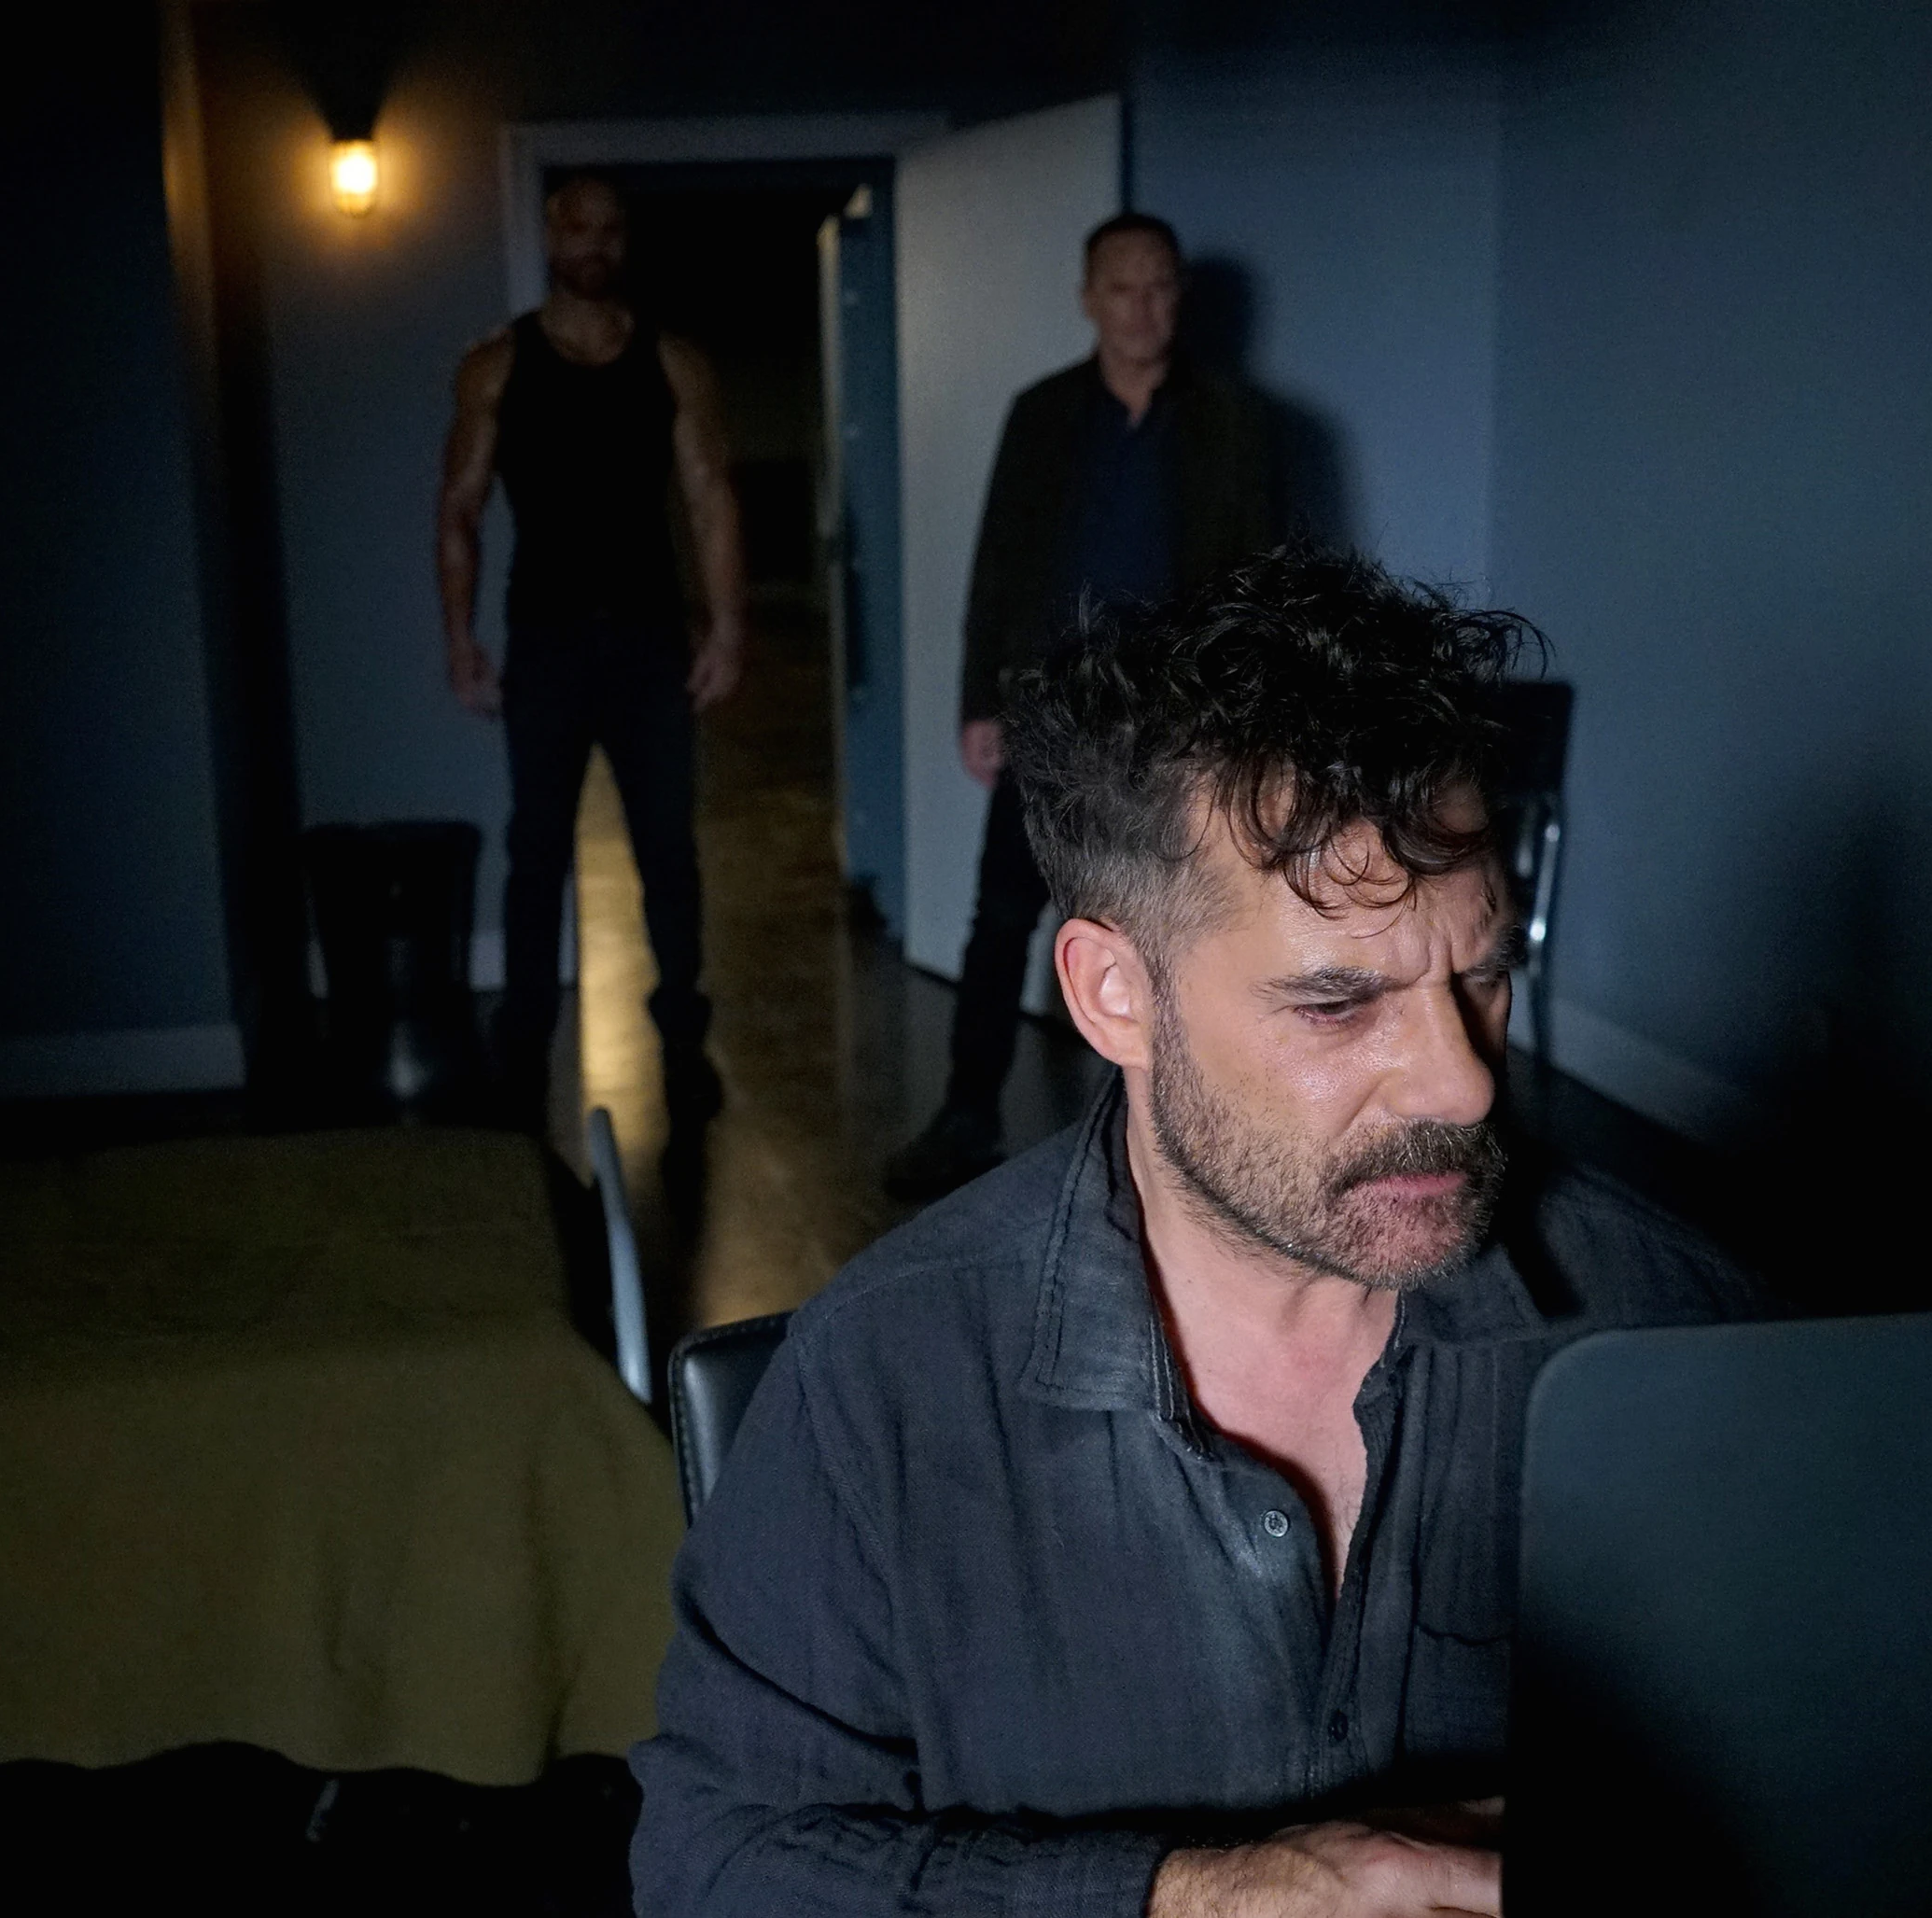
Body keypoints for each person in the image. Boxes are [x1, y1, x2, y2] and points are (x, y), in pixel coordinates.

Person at [632, 550, 1761, 1917]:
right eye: (1338, 1003)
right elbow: (715, 1865)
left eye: (1482, 978)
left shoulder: (1676, 1327)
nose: (1462, 1084)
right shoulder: (886, 1379)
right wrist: (1184, 1897)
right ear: (1115, 994)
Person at [886, 211, 1278, 1200]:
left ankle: (1182, 1138)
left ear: (1179, 297)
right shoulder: (1044, 414)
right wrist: (981, 699)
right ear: (1089, 300)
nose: (1143, 308)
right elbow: (999, 564)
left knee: (1174, 927)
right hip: (1054, 710)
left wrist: (1247, 719)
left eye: (1160, 287)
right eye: (1123, 288)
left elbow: (1266, 581)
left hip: (1181, 720)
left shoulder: (1232, 419)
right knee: (1001, 916)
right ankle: (965, 1114)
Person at [436, 173, 744, 1128]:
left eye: (611, 228)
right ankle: (523, 1048)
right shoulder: (496, 366)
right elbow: (458, 511)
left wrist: (728, 626)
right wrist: (460, 639)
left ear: (623, 240)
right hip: (547, 643)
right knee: (536, 853)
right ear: (551, 234)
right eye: (578, 225)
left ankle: (682, 1045)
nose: (595, 242)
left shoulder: (673, 362)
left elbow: (711, 498)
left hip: (651, 643)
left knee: (668, 853)